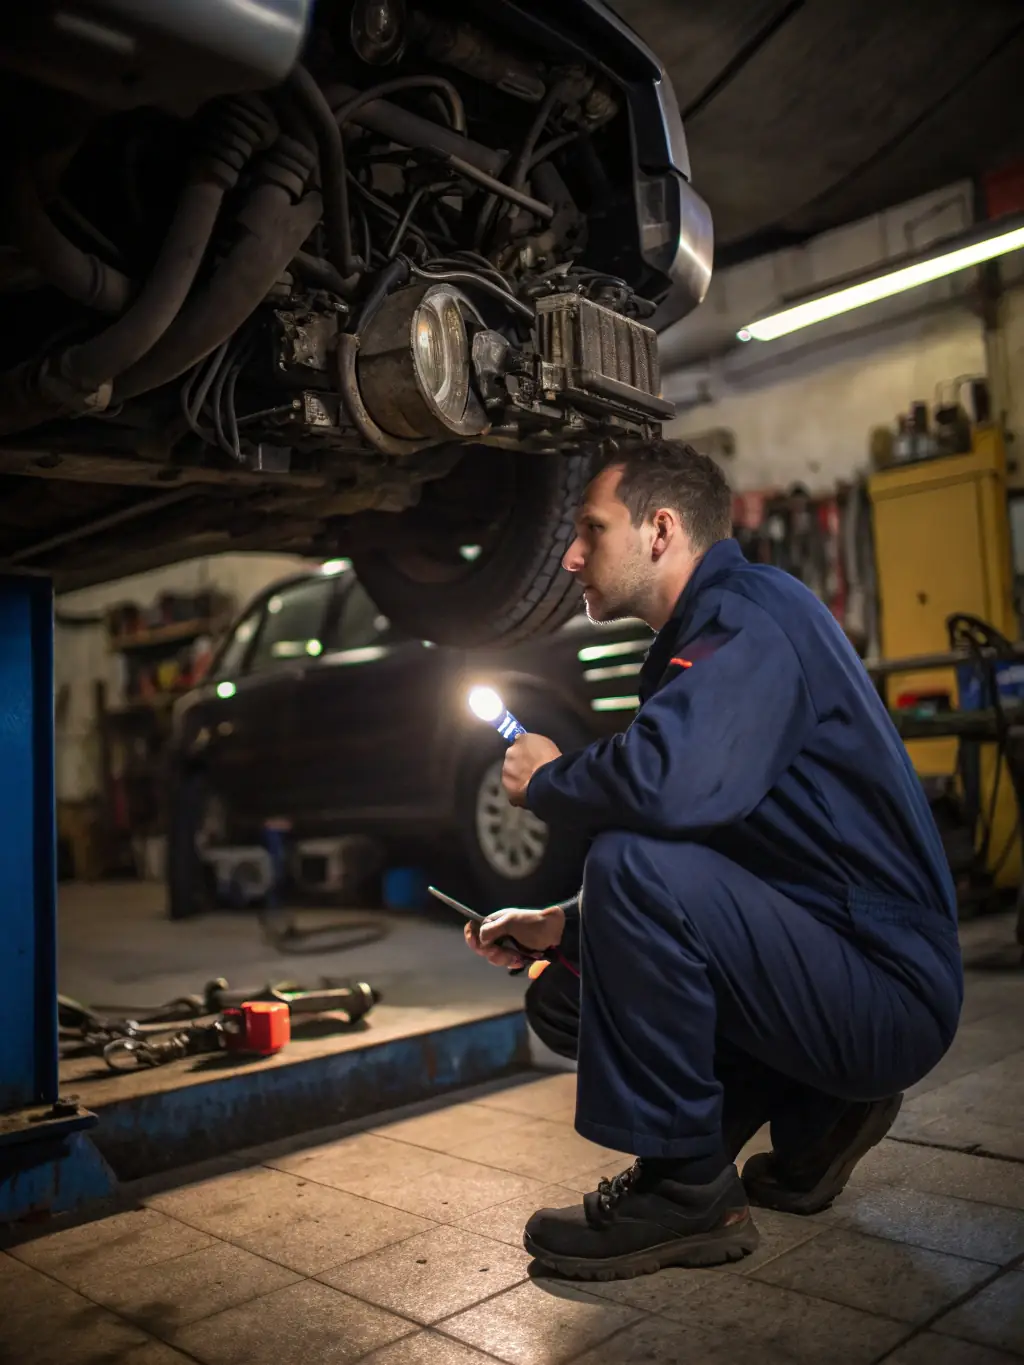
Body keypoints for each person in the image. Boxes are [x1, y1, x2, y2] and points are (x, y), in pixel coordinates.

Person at [465, 438, 963, 1282]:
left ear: (661, 530)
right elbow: (718, 848)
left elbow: (665, 786)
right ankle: (821, 1108)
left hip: (884, 985)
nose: (571, 553)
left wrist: (549, 779)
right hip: (841, 963)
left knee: (626, 858)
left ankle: (688, 1191)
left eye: (592, 527)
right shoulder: (710, 632)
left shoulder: (749, 617)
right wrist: (564, 928)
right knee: (568, 992)